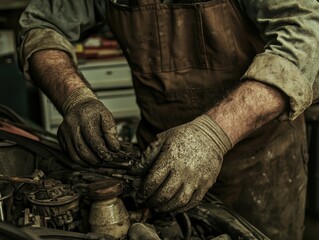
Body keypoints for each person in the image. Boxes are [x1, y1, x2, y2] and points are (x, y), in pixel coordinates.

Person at [18, 0, 319, 239]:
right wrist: (74, 98)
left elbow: (306, 39)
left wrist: (212, 134)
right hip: (156, 167)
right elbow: (43, 24)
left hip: (259, 168)